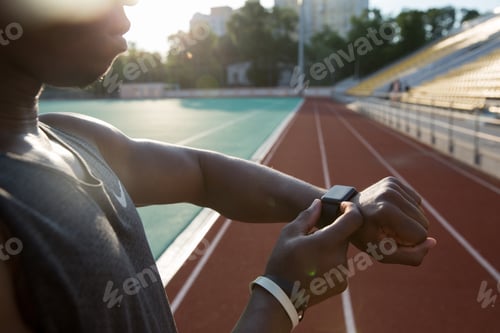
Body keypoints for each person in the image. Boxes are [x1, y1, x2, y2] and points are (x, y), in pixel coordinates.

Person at [0, 1, 436, 332]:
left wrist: (344, 209)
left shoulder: (74, 136)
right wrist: (282, 297)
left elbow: (203, 173)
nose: (127, 9)